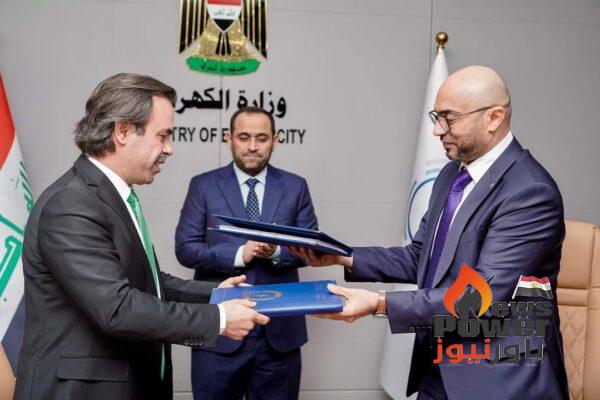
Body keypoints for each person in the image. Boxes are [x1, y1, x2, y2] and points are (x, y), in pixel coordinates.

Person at [290, 66, 569, 400]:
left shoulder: (530, 192)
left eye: (449, 118)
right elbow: (422, 257)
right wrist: (343, 257)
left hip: (498, 379)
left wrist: (378, 303)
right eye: (436, 117)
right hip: (438, 367)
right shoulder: (451, 175)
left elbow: (482, 294)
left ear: (494, 118)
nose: (437, 130)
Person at [14, 73, 269, 400]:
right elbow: (118, 308)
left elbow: (148, 282)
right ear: (122, 131)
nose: (169, 149)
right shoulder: (71, 204)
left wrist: (215, 294)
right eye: (163, 136)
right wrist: (218, 318)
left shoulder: (113, 195)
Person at [175, 106, 318, 400]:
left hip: (279, 335)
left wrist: (277, 251)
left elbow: (311, 250)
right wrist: (240, 253)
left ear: (275, 140)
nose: (252, 146)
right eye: (244, 137)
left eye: (261, 138)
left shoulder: (296, 187)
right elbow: (186, 248)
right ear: (229, 138)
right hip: (219, 330)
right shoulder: (203, 185)